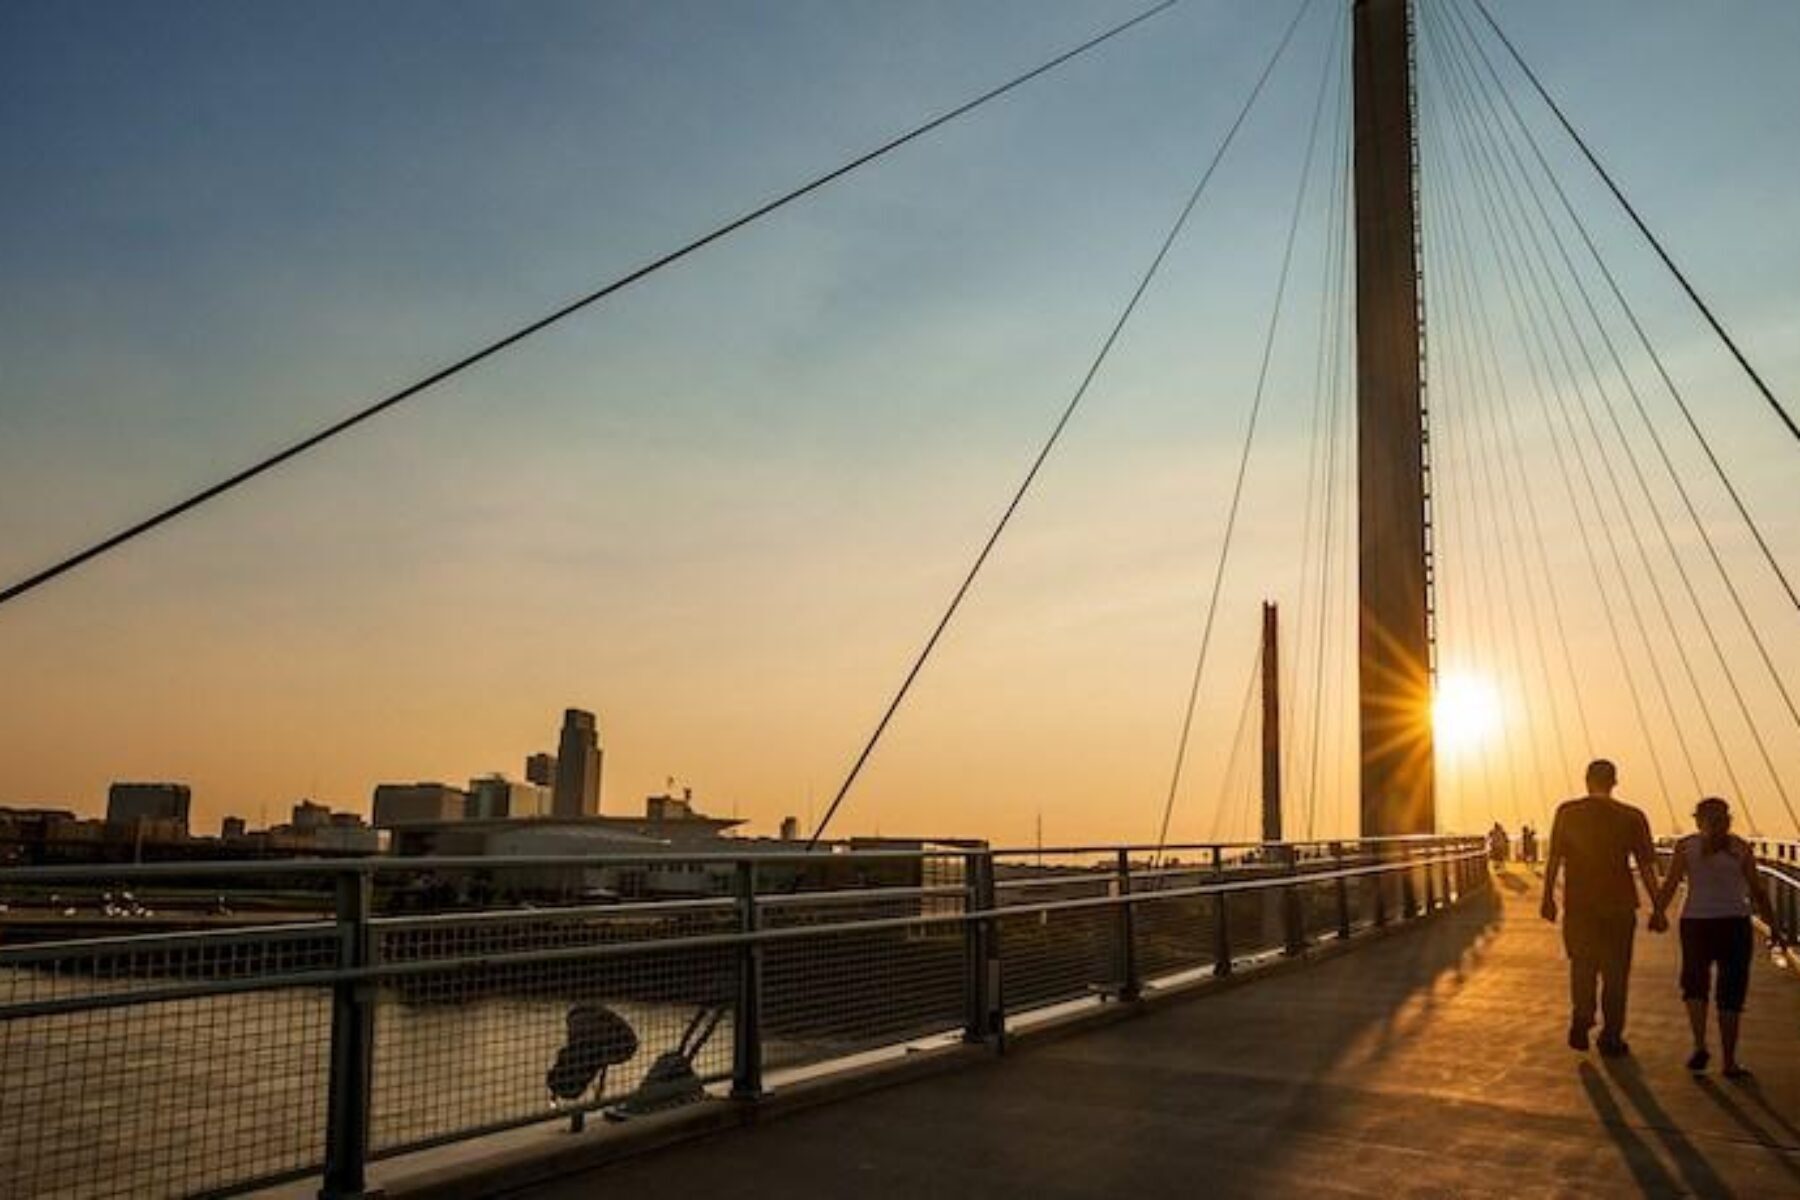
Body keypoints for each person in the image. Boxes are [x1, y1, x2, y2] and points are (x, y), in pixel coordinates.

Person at [1651, 798, 1784, 1077]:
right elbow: (1758, 891)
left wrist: (1658, 912)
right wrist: (1773, 927)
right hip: (1735, 923)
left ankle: (1699, 1045)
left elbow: (1672, 883)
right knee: (1731, 992)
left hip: (1696, 923)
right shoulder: (1741, 848)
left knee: (1695, 985)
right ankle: (1729, 1061)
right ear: (1728, 819)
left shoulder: (1686, 846)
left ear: (1698, 820)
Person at [1541, 759, 1661, 1056]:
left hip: (1580, 905)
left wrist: (1547, 897)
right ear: (1614, 782)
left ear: (1586, 780)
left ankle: (1583, 1015)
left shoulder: (1567, 813)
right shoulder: (1632, 817)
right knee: (1616, 973)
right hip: (1619, 906)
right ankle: (1611, 1036)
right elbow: (1647, 867)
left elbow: (1554, 858)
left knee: (1582, 964)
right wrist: (1658, 907)